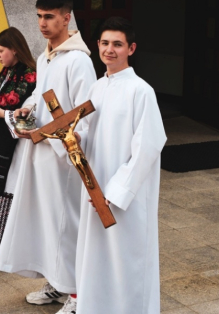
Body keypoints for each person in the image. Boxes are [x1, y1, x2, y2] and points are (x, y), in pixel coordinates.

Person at [0, 0, 96, 314]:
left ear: (67, 18)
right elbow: (40, 95)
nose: (42, 23)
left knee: (67, 224)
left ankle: (78, 295)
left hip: (64, 159)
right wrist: (26, 110)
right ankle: (56, 282)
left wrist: (60, 137)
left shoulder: (79, 61)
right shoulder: (45, 56)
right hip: (40, 154)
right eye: (39, 16)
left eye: (49, 17)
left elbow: (85, 113)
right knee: (48, 222)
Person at [74, 17, 166, 314]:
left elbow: (148, 146)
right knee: (96, 257)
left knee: (127, 259)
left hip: (123, 195)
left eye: (117, 44)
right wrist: (74, 137)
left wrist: (115, 192)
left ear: (131, 48)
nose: (109, 50)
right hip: (94, 186)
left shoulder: (141, 91)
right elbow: (88, 132)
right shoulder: (97, 87)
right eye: (104, 43)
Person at [0, 27, 36, 261]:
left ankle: (8, 247)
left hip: (17, 146)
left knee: (9, 190)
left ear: (15, 49)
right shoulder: (5, 74)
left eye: (1, 50)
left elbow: (30, 120)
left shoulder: (32, 76)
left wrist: (1, 114)